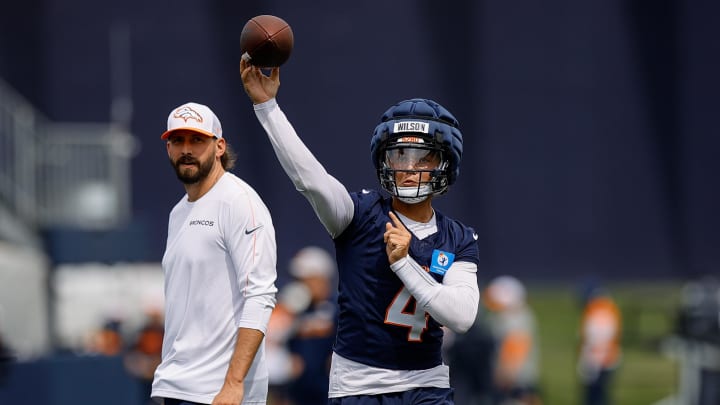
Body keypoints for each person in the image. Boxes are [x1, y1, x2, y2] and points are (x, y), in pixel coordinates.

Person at [240, 60, 480, 404]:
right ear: (384, 159)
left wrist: (403, 263)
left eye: (423, 157)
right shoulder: (358, 214)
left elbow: (461, 316)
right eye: (399, 155)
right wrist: (267, 107)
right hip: (359, 385)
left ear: (445, 163)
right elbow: (309, 179)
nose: (409, 168)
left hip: (428, 383)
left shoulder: (458, 237)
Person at [151, 102, 279, 405]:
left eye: (197, 140)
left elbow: (260, 296)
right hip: (173, 383)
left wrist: (234, 383)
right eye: (177, 141)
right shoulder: (177, 212)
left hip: (219, 392)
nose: (186, 149)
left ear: (219, 146)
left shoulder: (239, 201)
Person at [285, 246, 338, 405]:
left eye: (305, 278)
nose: (300, 284)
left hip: (328, 389)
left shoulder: (339, 305)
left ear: (320, 278)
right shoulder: (296, 308)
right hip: (300, 390)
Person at [483, 276, 541, 405]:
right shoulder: (512, 316)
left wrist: (504, 377)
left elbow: (514, 353)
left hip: (514, 384)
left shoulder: (515, 320)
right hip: (513, 381)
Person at [577, 284, 621, 405]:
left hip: (599, 361)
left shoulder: (600, 313)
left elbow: (599, 339)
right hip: (602, 360)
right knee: (598, 395)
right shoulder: (608, 310)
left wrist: (595, 361)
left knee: (597, 396)